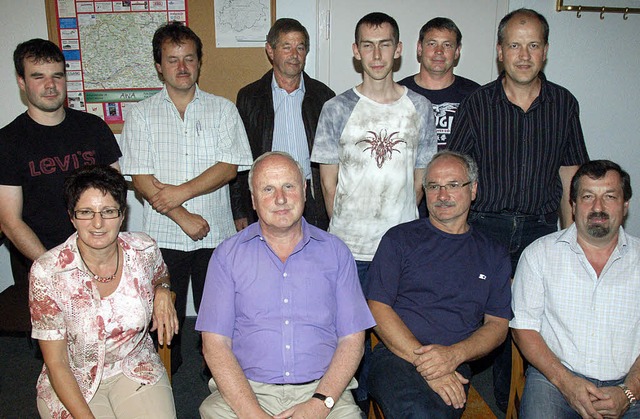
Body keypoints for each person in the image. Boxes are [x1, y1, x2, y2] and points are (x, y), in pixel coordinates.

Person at [447, 8, 590, 409]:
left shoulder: (564, 104)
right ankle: (487, 409)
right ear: (499, 51)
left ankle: (540, 402)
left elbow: (570, 178)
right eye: (514, 45)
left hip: (540, 230)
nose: (523, 55)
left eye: (533, 45)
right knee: (484, 324)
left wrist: (570, 238)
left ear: (545, 51)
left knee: (540, 326)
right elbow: (457, 174)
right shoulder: (477, 104)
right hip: (485, 229)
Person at [311, 12, 437, 407]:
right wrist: (347, 230)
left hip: (402, 248)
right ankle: (354, 405)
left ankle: (392, 402)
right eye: (368, 44)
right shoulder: (335, 109)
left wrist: (398, 225)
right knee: (351, 334)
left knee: (400, 334)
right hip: (350, 246)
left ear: (398, 51)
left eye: (385, 44)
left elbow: (421, 181)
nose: (377, 53)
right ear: (356, 51)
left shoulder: (421, 108)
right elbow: (327, 185)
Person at [196, 152, 375, 418]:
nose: (280, 199)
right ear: (254, 200)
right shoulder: (227, 256)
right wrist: (252, 413)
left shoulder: (336, 253)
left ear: (304, 190)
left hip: (322, 389)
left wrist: (319, 404)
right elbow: (215, 344)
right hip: (247, 390)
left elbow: (352, 340)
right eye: (268, 189)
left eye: (289, 186)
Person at [119, 21, 253, 373]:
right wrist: (183, 215)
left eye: (189, 59)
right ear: (159, 65)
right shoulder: (141, 114)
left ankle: (219, 379)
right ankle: (164, 381)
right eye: (173, 59)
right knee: (164, 322)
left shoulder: (223, 109)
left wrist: (180, 192)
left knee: (220, 319)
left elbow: (229, 168)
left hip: (217, 234)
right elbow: (141, 178)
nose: (182, 67)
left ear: (199, 63)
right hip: (163, 237)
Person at [366, 151, 511, 417]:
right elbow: (377, 306)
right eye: (434, 186)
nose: (442, 195)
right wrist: (428, 365)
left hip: (455, 360)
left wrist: (454, 356)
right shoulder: (400, 239)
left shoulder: (493, 253)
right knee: (418, 411)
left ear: (474, 189)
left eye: (453, 185)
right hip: (395, 356)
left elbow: (497, 326)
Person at [29, 165, 178, 418]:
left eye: (108, 211)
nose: (98, 223)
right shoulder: (47, 272)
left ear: (122, 215)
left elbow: (160, 274)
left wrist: (162, 289)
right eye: (86, 212)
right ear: (72, 216)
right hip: (72, 377)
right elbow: (57, 363)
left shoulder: (144, 249)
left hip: (134, 367)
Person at [511, 160, 640, 418]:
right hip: (555, 378)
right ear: (572, 204)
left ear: (625, 205)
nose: (598, 207)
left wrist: (629, 391)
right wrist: (567, 384)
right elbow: (524, 328)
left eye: (610, 196)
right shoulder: (539, 254)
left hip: (630, 380)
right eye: (588, 196)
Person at [0, 39, 121, 302]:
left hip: (101, 260)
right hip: (42, 263)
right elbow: (10, 221)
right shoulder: (8, 141)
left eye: (57, 75)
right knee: (52, 342)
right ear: (21, 82)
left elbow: (116, 197)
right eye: (38, 77)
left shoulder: (94, 128)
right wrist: (57, 267)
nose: (50, 85)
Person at [231, 18, 335, 231]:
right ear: (270, 50)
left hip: (313, 200)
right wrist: (240, 210)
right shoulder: (250, 97)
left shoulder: (323, 96)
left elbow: (335, 158)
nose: (294, 55)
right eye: (286, 47)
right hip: (267, 199)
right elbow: (239, 157)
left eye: (300, 47)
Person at [399, 17, 479, 151]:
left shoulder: (476, 97)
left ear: (457, 51)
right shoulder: (397, 95)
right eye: (432, 43)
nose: (439, 51)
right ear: (419, 48)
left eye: (447, 45)